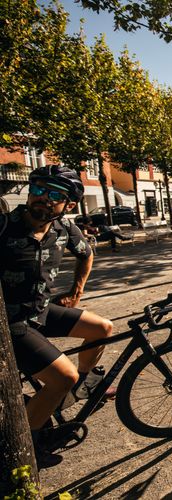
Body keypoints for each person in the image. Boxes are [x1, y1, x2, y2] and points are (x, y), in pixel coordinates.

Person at [0, 165, 114, 467]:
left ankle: (83, 385)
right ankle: (24, 447)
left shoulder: (65, 229)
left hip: (40, 310)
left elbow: (86, 254)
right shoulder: (3, 226)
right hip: (10, 323)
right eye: (37, 190)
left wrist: (76, 292)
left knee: (102, 327)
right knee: (63, 376)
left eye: (54, 195)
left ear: (69, 204)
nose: (43, 199)